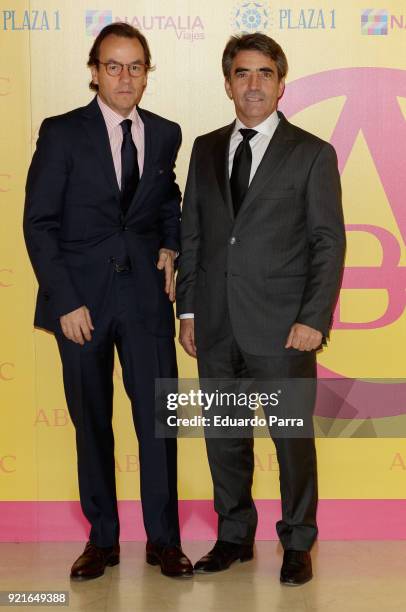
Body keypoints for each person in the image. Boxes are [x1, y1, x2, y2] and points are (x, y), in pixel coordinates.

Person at [24, 22, 193, 580]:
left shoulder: (166, 133)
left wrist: (171, 242)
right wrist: (65, 300)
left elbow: (167, 197)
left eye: (135, 66)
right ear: (94, 71)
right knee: (91, 423)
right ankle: (102, 540)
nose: (125, 76)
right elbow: (40, 224)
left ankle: (164, 541)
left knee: (158, 424)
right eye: (113, 66)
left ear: (148, 73)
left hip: (146, 301)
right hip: (82, 307)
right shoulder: (62, 132)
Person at [176, 33, 345, 585]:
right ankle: (233, 536)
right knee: (225, 438)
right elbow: (194, 235)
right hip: (217, 324)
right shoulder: (203, 148)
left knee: (291, 441)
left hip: (283, 330)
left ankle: (298, 541)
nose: (253, 84)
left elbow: (328, 242)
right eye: (243, 74)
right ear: (228, 83)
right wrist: (189, 313)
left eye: (264, 74)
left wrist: (313, 320)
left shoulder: (312, 152)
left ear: (280, 83)